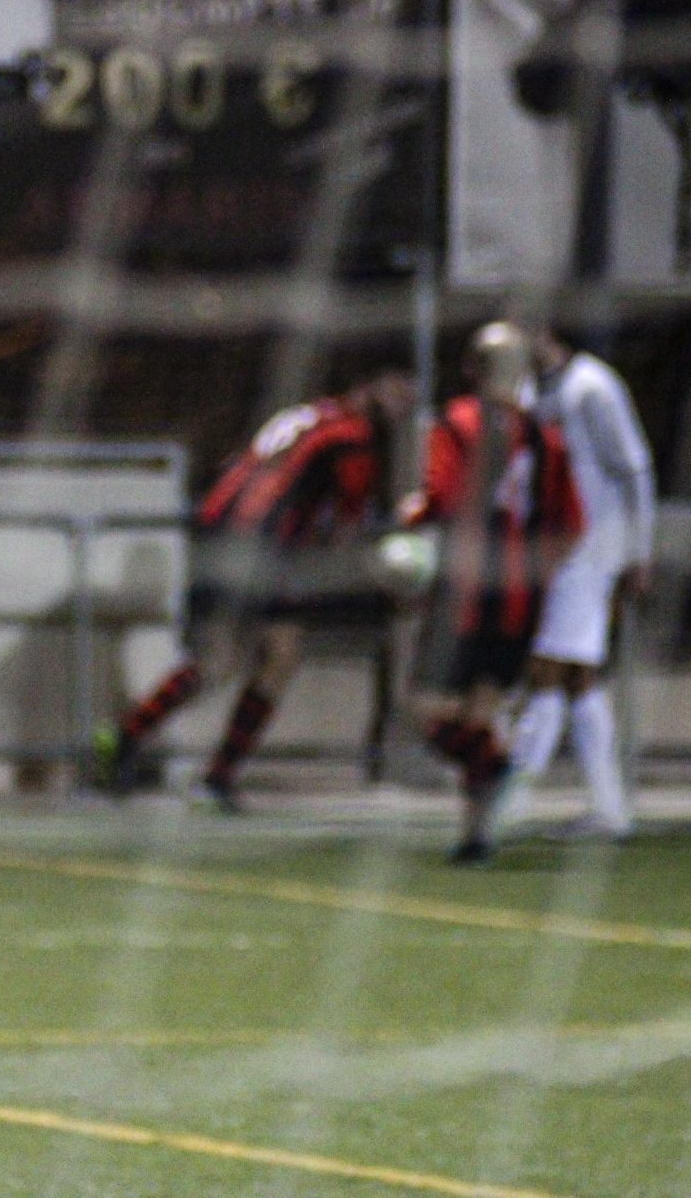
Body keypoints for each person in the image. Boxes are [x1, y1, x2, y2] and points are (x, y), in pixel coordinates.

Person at [92, 371, 414, 812]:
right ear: (372, 392)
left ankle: (128, 740)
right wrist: (384, 573)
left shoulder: (308, 414)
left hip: (218, 529)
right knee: (268, 656)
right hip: (260, 543)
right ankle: (211, 775)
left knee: (230, 659)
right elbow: (344, 531)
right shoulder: (353, 439)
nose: (402, 409)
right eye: (399, 397)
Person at [401, 323, 581, 864]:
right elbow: (570, 526)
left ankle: (498, 772)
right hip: (521, 600)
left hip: (465, 593)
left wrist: (409, 518)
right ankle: (475, 839)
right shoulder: (547, 439)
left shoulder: (457, 423)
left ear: (471, 371)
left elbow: (442, 500)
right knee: (481, 712)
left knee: (420, 712)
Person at [502, 324, 656, 841]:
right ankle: (610, 811)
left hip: (591, 549)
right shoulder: (527, 391)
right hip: (549, 548)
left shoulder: (592, 386)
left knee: (545, 669)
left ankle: (509, 800)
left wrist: (639, 549)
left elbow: (634, 468)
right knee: (577, 678)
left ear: (544, 334)